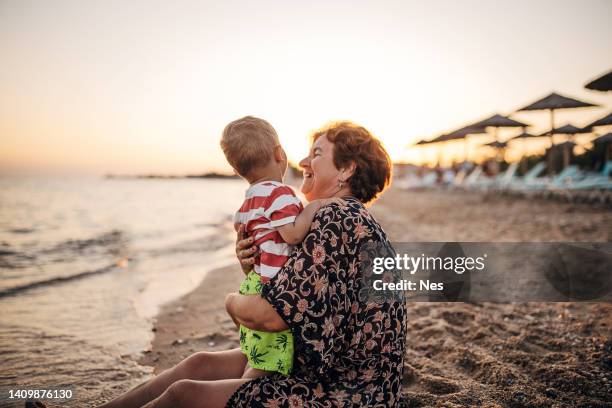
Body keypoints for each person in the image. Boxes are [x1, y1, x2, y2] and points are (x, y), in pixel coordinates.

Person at [99, 121, 406, 408]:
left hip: (345, 389)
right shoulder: (346, 217)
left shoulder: (335, 217)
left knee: (184, 395)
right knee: (200, 363)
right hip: (324, 360)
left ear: (347, 169)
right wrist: (253, 271)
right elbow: (313, 298)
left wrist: (231, 301)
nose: (303, 162)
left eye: (317, 154)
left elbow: (270, 317)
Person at [220, 116, 342, 378]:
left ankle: (248, 370)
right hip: (274, 288)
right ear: (279, 153)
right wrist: (313, 207)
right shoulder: (279, 193)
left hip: (257, 283)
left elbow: (258, 248)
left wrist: (247, 265)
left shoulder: (246, 203)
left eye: (316, 153)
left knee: (257, 353)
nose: (304, 161)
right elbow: (293, 235)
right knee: (266, 365)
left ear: (236, 169)